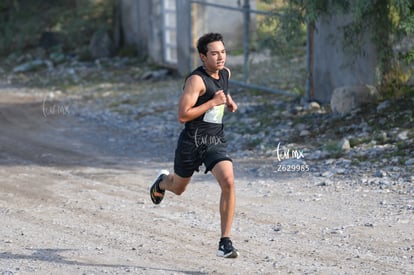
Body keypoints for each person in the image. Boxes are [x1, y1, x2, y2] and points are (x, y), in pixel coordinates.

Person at [149, 32, 239, 258]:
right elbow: (182, 115)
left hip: (214, 141)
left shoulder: (225, 72)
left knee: (228, 181)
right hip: (191, 143)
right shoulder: (195, 81)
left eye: (223, 52)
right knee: (178, 188)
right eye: (214, 53)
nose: (220, 57)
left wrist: (228, 101)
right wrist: (212, 102)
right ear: (202, 56)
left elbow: (221, 90)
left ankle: (224, 242)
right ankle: (161, 183)